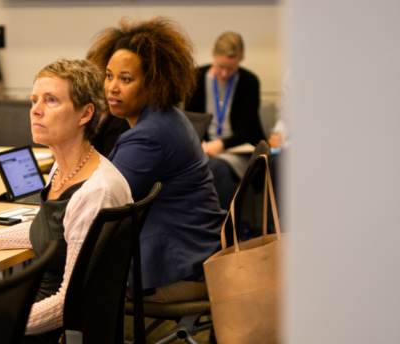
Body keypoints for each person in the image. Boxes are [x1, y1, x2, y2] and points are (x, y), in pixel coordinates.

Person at [0, 59, 132, 344]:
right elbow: (46, 233)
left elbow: (69, 304)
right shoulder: (64, 168)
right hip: (37, 323)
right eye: (34, 100)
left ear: (85, 114)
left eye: (51, 100)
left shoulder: (96, 191)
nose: (36, 110)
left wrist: (0, 322)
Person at [87, 17, 227, 302]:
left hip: (181, 267)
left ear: (154, 83)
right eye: (109, 75)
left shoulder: (149, 136)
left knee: (74, 282)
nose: (111, 87)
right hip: (199, 251)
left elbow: (99, 203)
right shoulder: (166, 118)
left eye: (125, 79)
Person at [185, 32, 266, 211]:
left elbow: (248, 129)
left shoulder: (249, 82)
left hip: (238, 150)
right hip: (204, 148)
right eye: (221, 66)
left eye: (231, 69)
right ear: (213, 53)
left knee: (216, 169)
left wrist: (222, 144)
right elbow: (191, 122)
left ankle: (225, 228)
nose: (224, 73)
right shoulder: (195, 78)